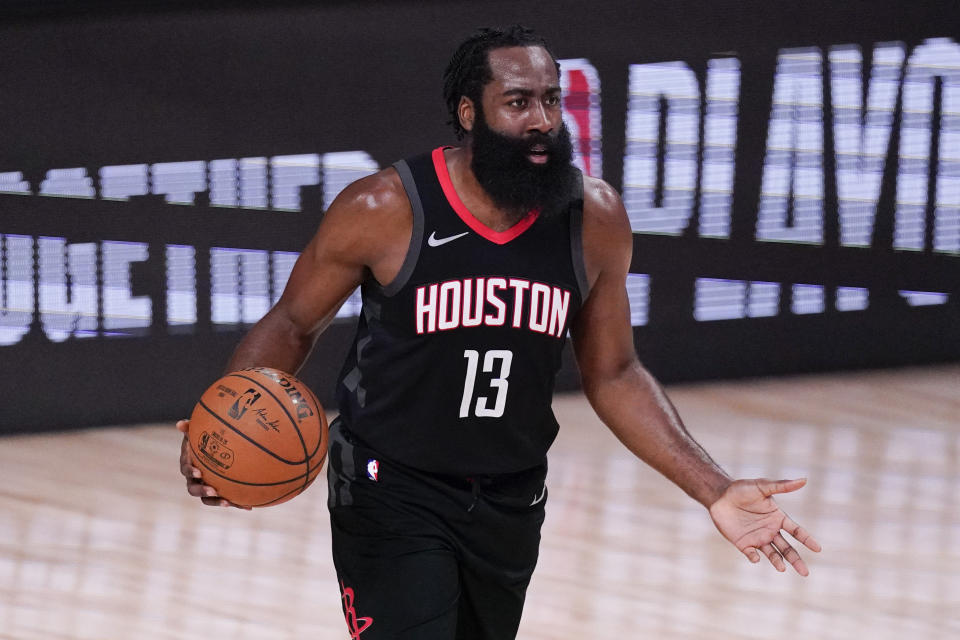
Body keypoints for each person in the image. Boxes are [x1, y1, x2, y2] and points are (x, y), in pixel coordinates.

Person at [178, 25, 821, 640]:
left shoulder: (591, 218)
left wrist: (715, 488)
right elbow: (293, 323)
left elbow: (614, 373)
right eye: (517, 102)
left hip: (511, 493)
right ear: (467, 112)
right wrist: (225, 426)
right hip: (389, 486)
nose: (541, 119)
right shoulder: (384, 209)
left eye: (550, 100)